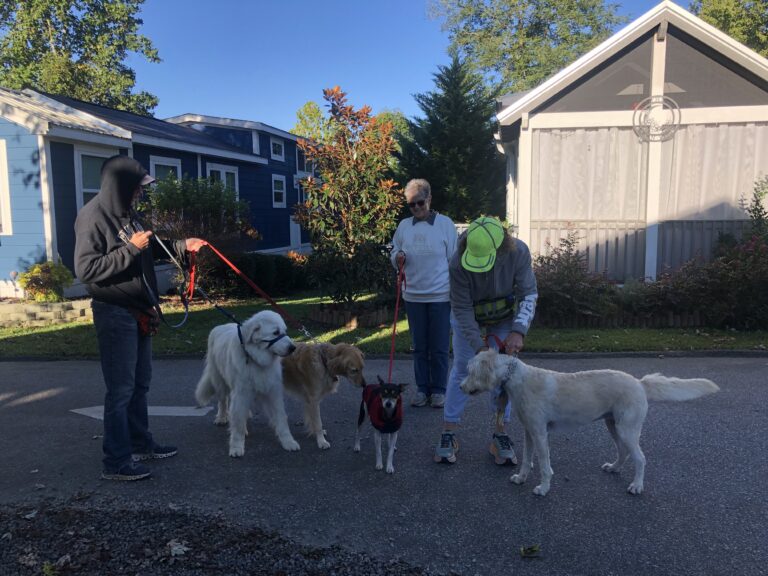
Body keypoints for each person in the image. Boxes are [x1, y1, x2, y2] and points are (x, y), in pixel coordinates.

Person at [75, 155, 205, 481]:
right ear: (119, 186)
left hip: (140, 310)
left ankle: (139, 443)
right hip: (114, 311)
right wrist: (129, 250)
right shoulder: (92, 217)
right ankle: (116, 462)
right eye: (136, 189)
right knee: (120, 390)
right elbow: (86, 270)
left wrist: (181, 245)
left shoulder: (129, 215)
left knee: (140, 385)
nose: (139, 195)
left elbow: (151, 246)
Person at [434, 216, 538, 465]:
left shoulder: (518, 252)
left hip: (503, 319)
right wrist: (480, 348)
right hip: (469, 318)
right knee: (462, 368)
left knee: (503, 374)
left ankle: (500, 435)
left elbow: (528, 293)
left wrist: (518, 330)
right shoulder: (457, 263)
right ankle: (449, 432)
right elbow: (460, 308)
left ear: (501, 249)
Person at [390, 179, 457, 408]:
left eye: (420, 203)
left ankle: (438, 390)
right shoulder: (404, 226)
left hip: (440, 295)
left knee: (438, 346)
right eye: (411, 205)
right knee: (419, 346)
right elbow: (395, 250)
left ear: (429, 199)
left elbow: (454, 259)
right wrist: (397, 257)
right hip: (413, 295)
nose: (416, 208)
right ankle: (421, 389)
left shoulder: (445, 224)